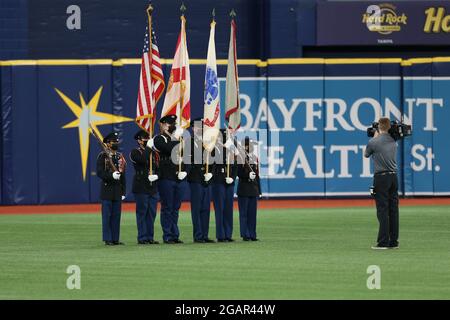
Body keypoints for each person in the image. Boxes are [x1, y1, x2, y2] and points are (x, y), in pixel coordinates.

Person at [147, 115, 186, 244]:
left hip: (177, 176)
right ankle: (167, 234)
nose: (172, 126)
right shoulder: (159, 139)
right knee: (167, 207)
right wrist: (177, 140)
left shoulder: (178, 139)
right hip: (166, 176)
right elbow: (168, 148)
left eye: (173, 123)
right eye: (170, 124)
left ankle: (175, 234)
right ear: (163, 125)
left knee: (176, 207)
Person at [364, 117, 399, 250]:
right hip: (393, 177)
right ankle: (394, 241)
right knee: (393, 210)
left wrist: (374, 136)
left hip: (381, 178)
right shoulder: (394, 141)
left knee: (382, 210)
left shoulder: (374, 142)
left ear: (379, 126)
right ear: (389, 127)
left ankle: (383, 242)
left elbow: (366, 154)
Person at [187, 118, 215, 243]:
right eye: (197, 127)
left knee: (206, 208)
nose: (200, 129)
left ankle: (204, 234)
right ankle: (198, 235)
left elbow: (214, 159)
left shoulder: (208, 143)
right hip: (196, 179)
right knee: (197, 208)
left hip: (207, 179)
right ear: (193, 128)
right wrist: (202, 173)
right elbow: (190, 162)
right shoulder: (190, 142)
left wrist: (210, 173)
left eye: (202, 127)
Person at [96, 132, 126, 246]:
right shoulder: (102, 156)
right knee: (107, 216)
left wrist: (123, 190)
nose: (116, 144)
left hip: (117, 190)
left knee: (116, 216)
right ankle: (107, 239)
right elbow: (100, 173)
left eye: (117, 142)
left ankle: (115, 238)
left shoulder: (119, 157)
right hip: (107, 190)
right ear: (107, 144)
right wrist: (111, 176)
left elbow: (123, 175)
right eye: (114, 142)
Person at [130, 129, 160, 245]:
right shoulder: (135, 152)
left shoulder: (154, 153)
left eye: (148, 138)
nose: (147, 140)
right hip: (141, 185)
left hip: (152, 186)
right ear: (139, 140)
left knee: (151, 212)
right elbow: (142, 160)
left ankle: (149, 237)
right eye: (144, 138)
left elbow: (158, 167)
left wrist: (157, 175)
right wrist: (148, 148)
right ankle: (142, 237)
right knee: (142, 212)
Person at [212, 129, 238, 242]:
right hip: (218, 181)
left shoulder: (231, 148)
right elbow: (213, 163)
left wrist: (232, 177)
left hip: (229, 181)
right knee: (220, 208)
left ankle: (228, 234)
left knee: (228, 209)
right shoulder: (214, 149)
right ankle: (221, 235)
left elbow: (236, 164)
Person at [237, 137, 261, 241]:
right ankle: (245, 234)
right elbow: (239, 173)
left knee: (252, 214)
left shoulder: (254, 158)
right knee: (244, 214)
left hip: (253, 189)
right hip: (244, 189)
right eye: (249, 145)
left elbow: (257, 175)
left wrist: (259, 190)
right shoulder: (240, 158)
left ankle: (252, 234)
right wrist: (247, 175)